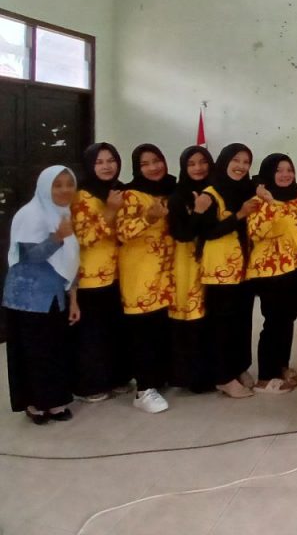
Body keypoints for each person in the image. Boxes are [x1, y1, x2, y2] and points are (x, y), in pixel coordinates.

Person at [4, 166, 79, 423]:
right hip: (27, 298)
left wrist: (73, 298)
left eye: (69, 183)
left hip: (54, 295)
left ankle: (55, 400)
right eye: (57, 185)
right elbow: (30, 256)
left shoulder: (62, 213)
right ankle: (34, 403)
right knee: (31, 352)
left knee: (54, 350)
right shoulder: (30, 214)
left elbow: (71, 259)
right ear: (45, 187)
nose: (65, 189)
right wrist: (57, 237)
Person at [195, 143, 259, 399]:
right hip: (219, 270)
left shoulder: (245, 191)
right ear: (224, 161)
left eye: (246, 162)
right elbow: (207, 232)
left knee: (242, 321)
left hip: (244, 268)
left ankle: (239, 368)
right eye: (236, 160)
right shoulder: (210, 194)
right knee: (222, 325)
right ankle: (223, 376)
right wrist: (240, 214)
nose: (241, 166)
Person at [116, 144, 176, 414]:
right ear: (136, 169)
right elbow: (121, 232)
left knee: (160, 330)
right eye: (145, 163)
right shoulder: (130, 195)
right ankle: (143, 389)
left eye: (157, 161)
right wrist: (148, 218)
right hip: (140, 275)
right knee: (142, 332)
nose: (153, 167)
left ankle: (157, 379)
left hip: (167, 274)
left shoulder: (170, 191)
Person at [247, 154, 297, 393]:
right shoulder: (258, 200)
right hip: (271, 271)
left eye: (289, 169)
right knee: (273, 322)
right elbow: (257, 231)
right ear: (268, 174)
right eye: (279, 170)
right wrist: (270, 201)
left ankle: (282, 367)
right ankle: (265, 376)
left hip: (296, 268)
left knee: (288, 319)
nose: (286, 175)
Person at [69, 142, 128, 401]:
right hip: (89, 276)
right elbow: (84, 236)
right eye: (100, 162)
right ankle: (89, 385)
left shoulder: (118, 190)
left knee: (113, 331)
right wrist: (111, 211)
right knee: (92, 335)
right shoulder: (81, 196)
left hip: (118, 273)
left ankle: (114, 378)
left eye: (111, 160)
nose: (107, 166)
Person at [166, 145, 216, 393]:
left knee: (215, 319)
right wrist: (198, 211)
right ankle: (193, 377)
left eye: (203, 162)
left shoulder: (217, 191)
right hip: (188, 264)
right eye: (192, 164)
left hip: (217, 263)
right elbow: (182, 233)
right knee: (192, 319)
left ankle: (217, 371)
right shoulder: (178, 197)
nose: (198, 168)